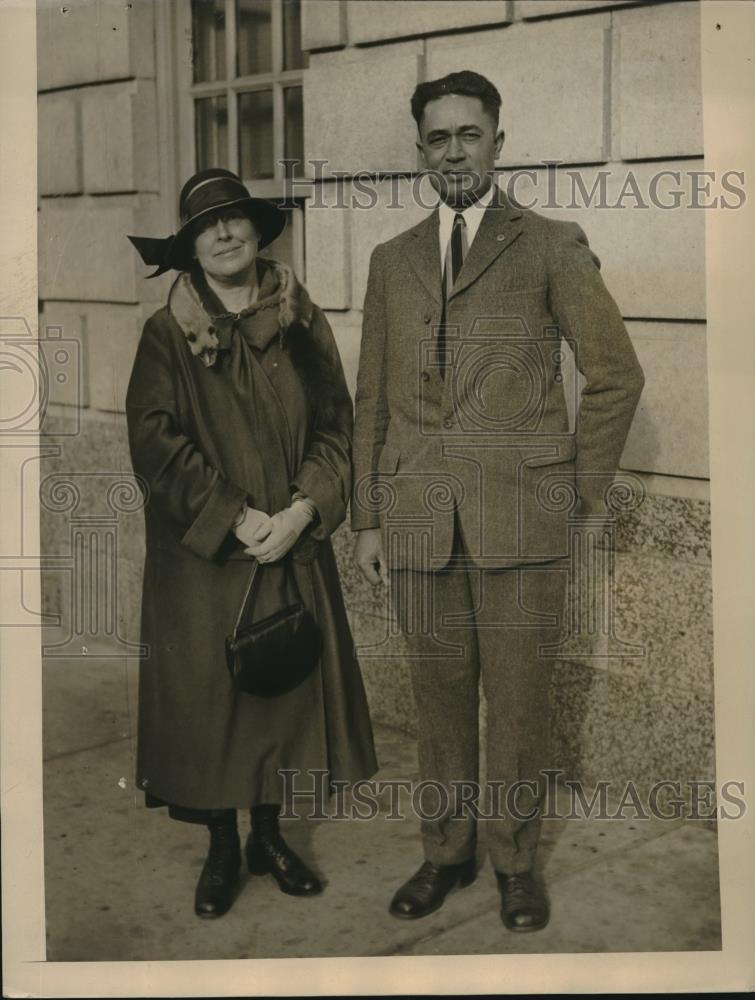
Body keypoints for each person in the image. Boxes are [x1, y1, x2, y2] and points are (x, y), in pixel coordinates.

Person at [352, 71, 645, 932]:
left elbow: (616, 376)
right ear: (419, 151)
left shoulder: (550, 245)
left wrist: (575, 491)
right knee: (438, 700)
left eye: (468, 135)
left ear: (497, 142)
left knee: (516, 703)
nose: (453, 152)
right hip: (415, 524)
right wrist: (368, 516)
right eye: (437, 138)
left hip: (522, 524)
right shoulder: (390, 259)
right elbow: (370, 398)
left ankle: (515, 862)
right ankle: (445, 852)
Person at [126, 167, 377, 919]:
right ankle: (223, 848)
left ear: (257, 230)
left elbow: (337, 424)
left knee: (283, 690)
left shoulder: (299, 319)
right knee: (212, 699)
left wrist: (304, 511)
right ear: (190, 245)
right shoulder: (168, 332)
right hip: (206, 551)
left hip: (292, 541)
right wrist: (236, 518)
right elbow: (155, 442)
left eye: (236, 219)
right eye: (208, 225)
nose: (225, 233)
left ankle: (270, 835)